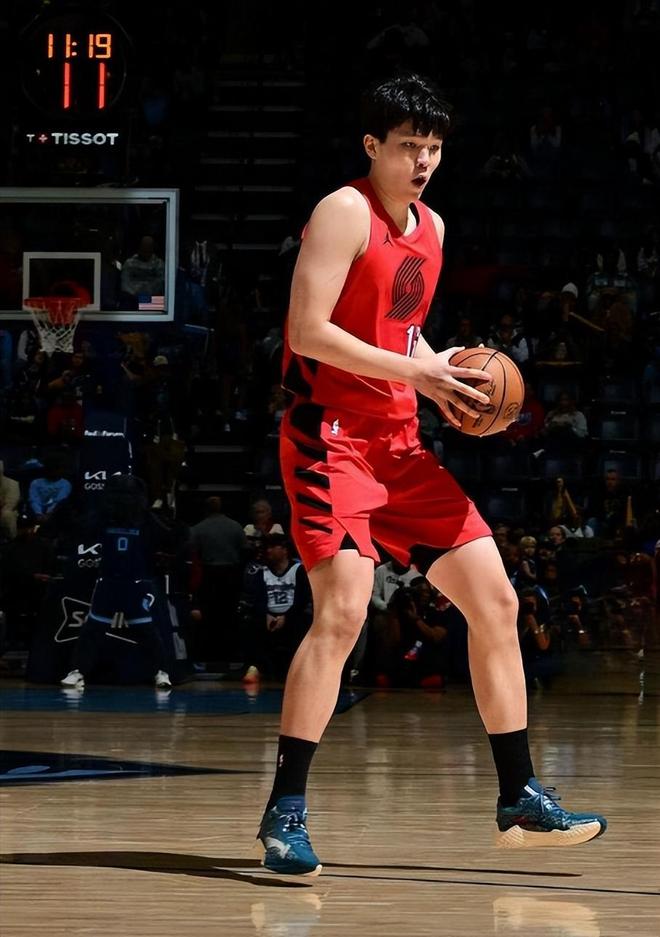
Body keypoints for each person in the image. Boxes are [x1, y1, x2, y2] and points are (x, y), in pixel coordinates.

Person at [256, 74, 606, 877]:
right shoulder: (343, 212)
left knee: (497, 600)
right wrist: (417, 373)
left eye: (434, 148)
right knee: (343, 611)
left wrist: (440, 367)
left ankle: (519, 795)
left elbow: (401, 334)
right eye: (408, 145)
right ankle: (285, 810)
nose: (421, 161)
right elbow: (308, 332)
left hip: (400, 444)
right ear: (372, 145)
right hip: (331, 439)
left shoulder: (434, 227)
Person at [60, 475, 172, 690]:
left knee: (147, 631)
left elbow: (170, 537)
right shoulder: (103, 517)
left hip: (134, 584)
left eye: (128, 494)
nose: (124, 499)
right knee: (93, 630)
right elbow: (80, 530)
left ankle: (161, 672)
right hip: (108, 583)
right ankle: (77, 671)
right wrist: (69, 508)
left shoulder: (146, 519)